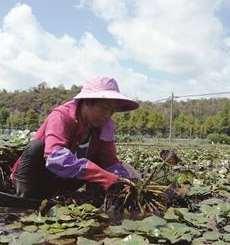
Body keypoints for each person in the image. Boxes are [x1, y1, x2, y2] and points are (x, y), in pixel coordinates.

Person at [10, 76, 139, 199]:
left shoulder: (106, 126)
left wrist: (125, 181)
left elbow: (109, 161)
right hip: (34, 178)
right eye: (104, 108)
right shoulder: (61, 116)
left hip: (62, 181)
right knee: (36, 147)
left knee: (101, 162)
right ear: (87, 102)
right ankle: (24, 196)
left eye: (111, 111)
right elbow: (55, 159)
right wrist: (103, 176)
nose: (107, 115)